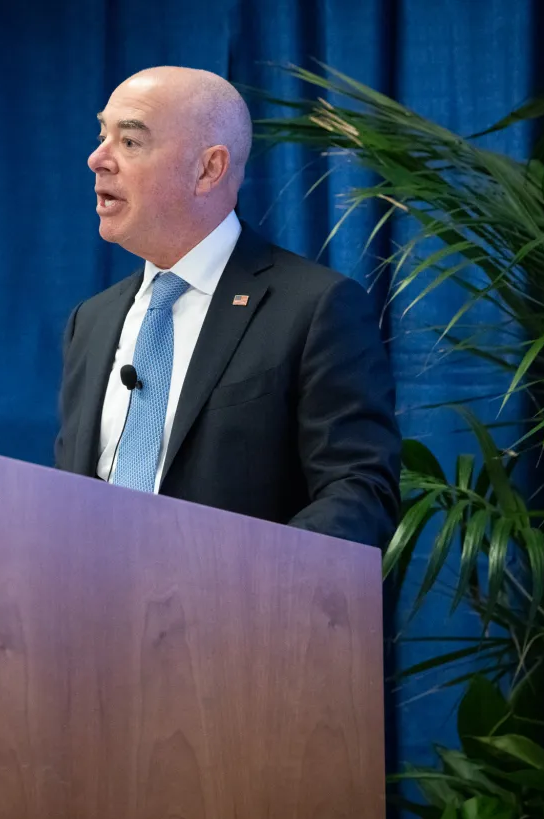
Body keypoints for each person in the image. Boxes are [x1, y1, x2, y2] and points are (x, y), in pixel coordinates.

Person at [53, 66, 401, 549]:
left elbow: (359, 492)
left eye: (129, 142)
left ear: (208, 169)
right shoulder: (90, 322)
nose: (97, 158)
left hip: (243, 616)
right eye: (102, 135)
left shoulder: (314, 308)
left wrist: (245, 579)